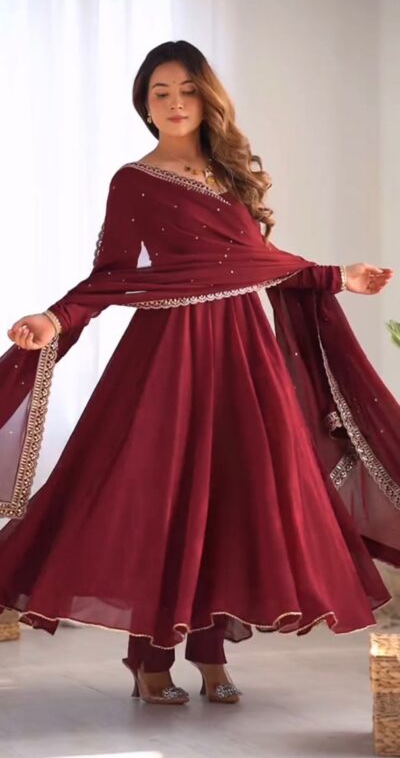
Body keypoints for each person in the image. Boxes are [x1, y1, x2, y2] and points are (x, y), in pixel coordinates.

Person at [0, 40, 399, 707]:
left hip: (244, 351)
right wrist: (55, 318)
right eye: (160, 92)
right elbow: (112, 274)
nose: (175, 102)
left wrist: (340, 277)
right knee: (166, 497)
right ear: (145, 105)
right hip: (169, 355)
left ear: (206, 97)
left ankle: (211, 654)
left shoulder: (229, 173)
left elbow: (258, 262)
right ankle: (149, 658)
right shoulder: (135, 181)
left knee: (232, 497)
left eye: (187, 89)